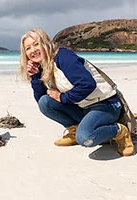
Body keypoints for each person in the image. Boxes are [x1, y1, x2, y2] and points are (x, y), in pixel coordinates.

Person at [19, 28, 135, 156]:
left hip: (106, 105)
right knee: (44, 103)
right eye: (28, 48)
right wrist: (35, 77)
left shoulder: (63, 57)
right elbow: (42, 99)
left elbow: (88, 84)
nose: (33, 50)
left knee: (85, 138)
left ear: (45, 43)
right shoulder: (43, 67)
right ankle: (75, 131)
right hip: (83, 107)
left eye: (36, 44)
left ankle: (119, 131)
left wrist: (62, 97)